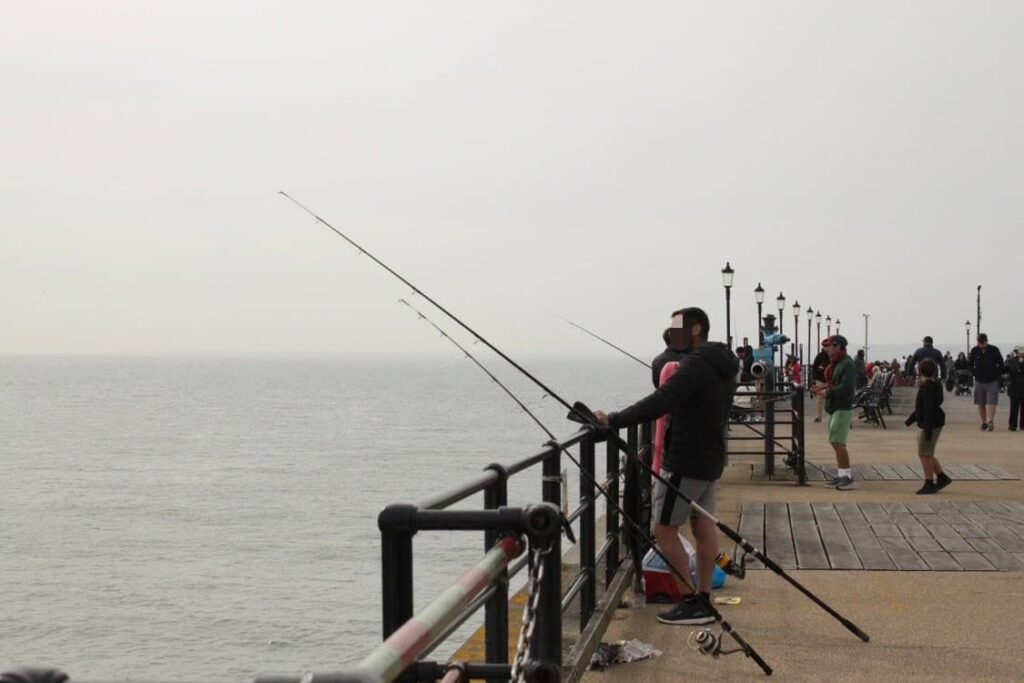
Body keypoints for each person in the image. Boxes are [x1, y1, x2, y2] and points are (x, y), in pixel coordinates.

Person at [594, 307, 737, 626]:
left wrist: (613, 420)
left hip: (686, 460)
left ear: (696, 329)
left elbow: (661, 402)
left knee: (663, 528)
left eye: (676, 327)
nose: (671, 332)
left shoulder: (695, 365)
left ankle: (691, 601)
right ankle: (703, 597)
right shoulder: (723, 364)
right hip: (711, 457)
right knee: (702, 526)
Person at [812, 335, 857, 489]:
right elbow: (837, 384)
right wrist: (824, 390)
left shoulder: (847, 364)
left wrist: (828, 392)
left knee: (838, 442)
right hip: (836, 406)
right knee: (835, 441)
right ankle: (842, 474)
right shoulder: (839, 363)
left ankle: (847, 478)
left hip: (843, 407)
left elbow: (847, 387)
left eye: (829, 346)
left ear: (838, 346)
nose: (827, 350)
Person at [904, 358, 952, 495]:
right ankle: (942, 477)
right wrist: (911, 420)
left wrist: (928, 430)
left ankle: (929, 482)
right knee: (927, 453)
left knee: (925, 454)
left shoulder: (927, 388)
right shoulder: (933, 385)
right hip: (931, 422)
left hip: (930, 424)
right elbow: (922, 408)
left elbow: (928, 409)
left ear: (920, 371)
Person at [969, 333, 1005, 431]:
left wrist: (996, 372)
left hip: (993, 380)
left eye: (983, 343)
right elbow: (970, 364)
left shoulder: (994, 350)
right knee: (980, 402)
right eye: (980, 343)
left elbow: (1001, 363)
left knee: (991, 401)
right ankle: (984, 422)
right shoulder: (974, 350)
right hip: (979, 380)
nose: (981, 345)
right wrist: (974, 373)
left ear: (986, 341)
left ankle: (990, 421)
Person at [811, 346, 830, 422]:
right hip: (821, 380)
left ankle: (821, 416)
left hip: (827, 380)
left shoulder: (830, 356)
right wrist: (815, 378)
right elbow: (814, 367)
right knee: (820, 398)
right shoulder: (820, 356)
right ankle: (818, 416)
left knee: (826, 399)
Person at [1007, 346, 1024, 432]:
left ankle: (1022, 425)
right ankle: (1012, 425)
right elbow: (1005, 369)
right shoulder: (1011, 361)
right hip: (1014, 387)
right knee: (1014, 407)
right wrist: (1008, 359)